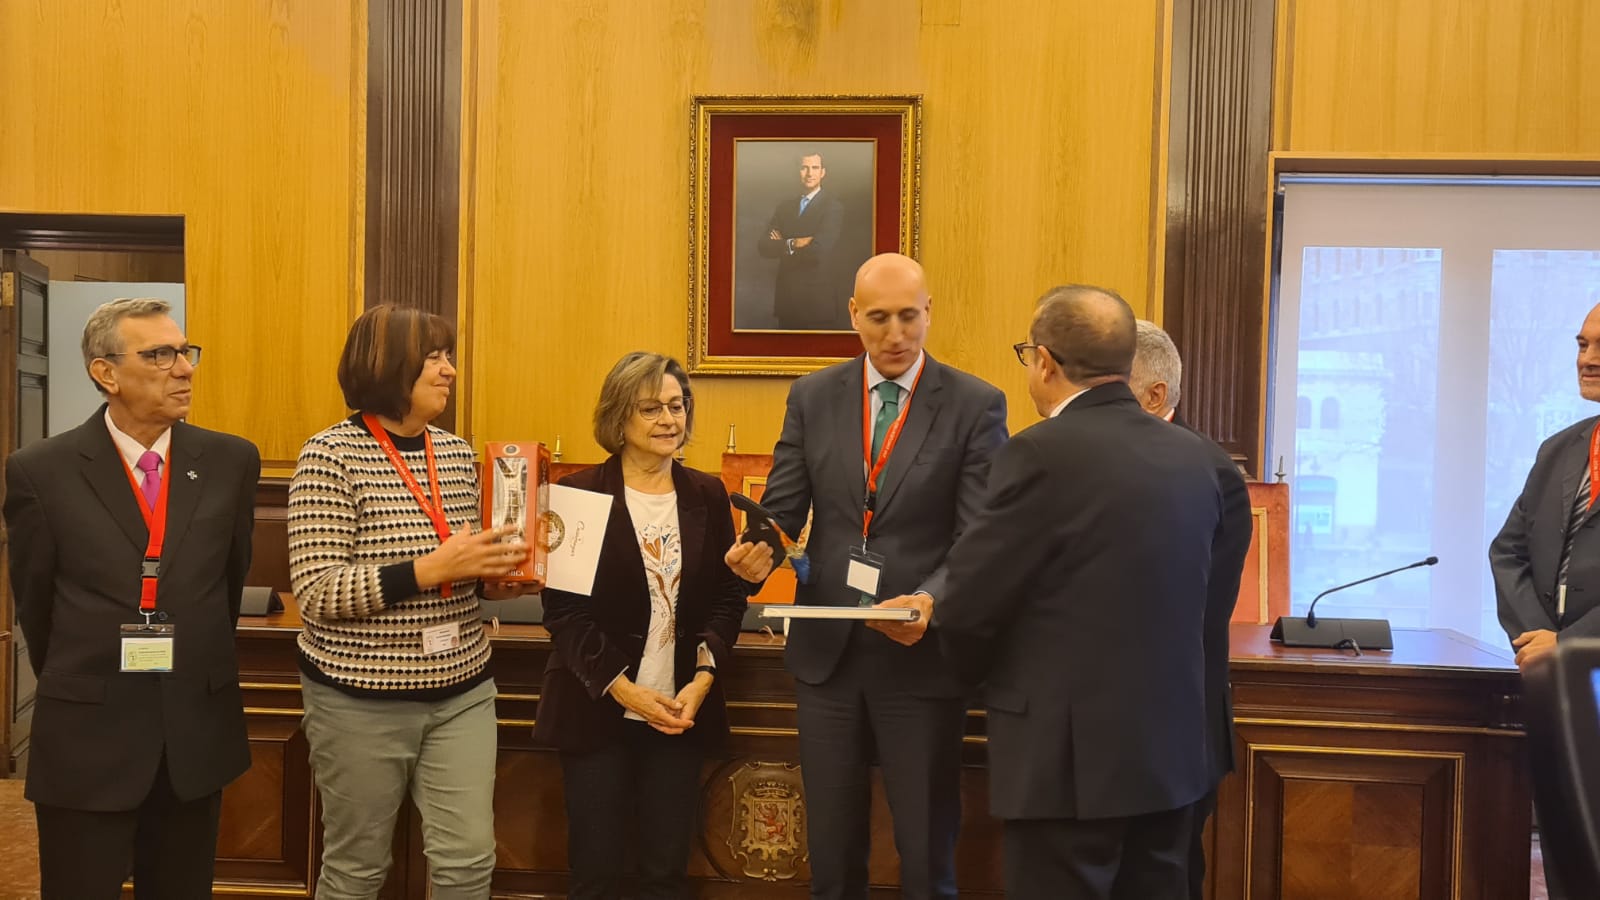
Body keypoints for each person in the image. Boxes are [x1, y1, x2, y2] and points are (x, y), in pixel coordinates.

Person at [917, 285, 1225, 900]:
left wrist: (968, 674)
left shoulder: (1037, 451)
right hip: (1170, 755)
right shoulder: (1199, 459)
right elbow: (1210, 603)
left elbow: (974, 599)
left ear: (1045, 362)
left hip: (1064, 761)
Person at [725, 253, 1008, 900]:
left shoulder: (974, 405)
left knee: (924, 857)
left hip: (921, 660)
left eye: (909, 317)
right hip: (828, 661)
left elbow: (981, 536)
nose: (895, 334)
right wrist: (757, 548)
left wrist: (933, 598)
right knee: (830, 855)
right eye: (878, 318)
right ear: (853, 316)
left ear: (929, 313)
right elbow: (784, 508)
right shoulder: (814, 395)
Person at [3, 297, 259, 898]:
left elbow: (225, 586)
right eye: (159, 354)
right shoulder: (42, 470)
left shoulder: (229, 461)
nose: (184, 368)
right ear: (106, 373)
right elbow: (36, 606)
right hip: (87, 738)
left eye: (184, 352)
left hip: (194, 734)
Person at [287, 305, 528, 900]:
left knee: (469, 862)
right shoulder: (330, 455)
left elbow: (466, 573)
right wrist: (428, 570)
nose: (449, 370)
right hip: (359, 697)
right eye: (434, 357)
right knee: (358, 869)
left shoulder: (454, 453)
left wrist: (498, 581)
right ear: (388, 364)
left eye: (450, 356)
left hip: (462, 690)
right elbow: (318, 593)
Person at [532, 351, 748, 899]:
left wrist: (700, 683)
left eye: (677, 406)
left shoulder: (707, 494)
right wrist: (627, 690)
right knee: (597, 874)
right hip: (596, 709)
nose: (669, 420)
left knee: (664, 874)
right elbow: (565, 612)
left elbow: (728, 599)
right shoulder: (580, 493)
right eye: (651, 408)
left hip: (679, 713)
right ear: (619, 418)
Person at [1129, 320, 1253, 899]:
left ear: (1156, 395)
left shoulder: (1205, 471)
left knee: (1168, 876)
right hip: (1124, 735)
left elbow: (1194, 608)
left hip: (1176, 725)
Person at [1490, 301, 1600, 900]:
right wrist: (1539, 641)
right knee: (1568, 866)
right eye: (1581, 345)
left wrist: (1573, 646)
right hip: (1561, 703)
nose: (1588, 359)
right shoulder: (1561, 448)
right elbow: (1508, 552)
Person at [759, 151, 846, 330]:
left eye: (815, 167)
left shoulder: (832, 207)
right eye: (804, 167)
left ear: (823, 172)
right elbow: (763, 246)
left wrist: (782, 244)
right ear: (798, 171)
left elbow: (818, 251)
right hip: (787, 302)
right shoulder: (784, 208)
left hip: (816, 304)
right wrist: (794, 243)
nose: (809, 173)